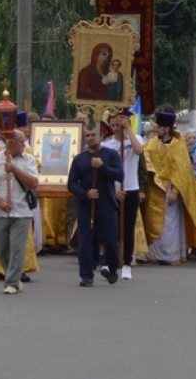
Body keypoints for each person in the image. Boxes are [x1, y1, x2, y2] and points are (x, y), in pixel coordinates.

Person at [143, 110, 196, 265]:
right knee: (154, 220)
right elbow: (145, 159)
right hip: (155, 189)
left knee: (170, 222)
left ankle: (170, 256)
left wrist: (175, 192)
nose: (156, 129)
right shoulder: (152, 145)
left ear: (167, 128)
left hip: (171, 189)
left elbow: (183, 171)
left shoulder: (179, 146)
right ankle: (155, 255)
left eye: (159, 126)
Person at [0, 130, 39, 294]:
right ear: (10, 143)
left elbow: (34, 183)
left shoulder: (29, 159)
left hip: (21, 211)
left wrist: (15, 169)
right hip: (1, 211)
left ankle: (11, 282)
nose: (24, 144)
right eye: (21, 141)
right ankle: (14, 277)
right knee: (2, 249)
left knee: (17, 248)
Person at [68, 123, 124, 287]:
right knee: (85, 241)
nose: (90, 138)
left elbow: (120, 174)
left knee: (110, 240)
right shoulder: (79, 159)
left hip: (107, 204)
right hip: (86, 205)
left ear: (100, 136)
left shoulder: (111, 155)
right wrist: (85, 194)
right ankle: (86, 274)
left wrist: (103, 167)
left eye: (93, 135)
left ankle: (112, 268)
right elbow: (71, 184)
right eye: (88, 135)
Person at [102, 108, 147, 280]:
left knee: (128, 228)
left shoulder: (136, 140)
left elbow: (139, 151)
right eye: (112, 125)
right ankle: (108, 261)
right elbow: (105, 172)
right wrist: (114, 189)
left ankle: (127, 263)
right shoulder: (107, 145)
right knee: (111, 228)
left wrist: (128, 129)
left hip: (131, 188)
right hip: (113, 190)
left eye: (118, 125)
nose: (115, 128)